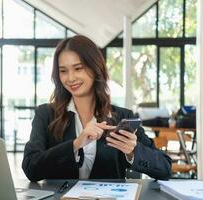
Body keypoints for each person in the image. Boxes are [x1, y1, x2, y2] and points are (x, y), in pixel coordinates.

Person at [22, 35, 172, 182]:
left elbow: (165, 168)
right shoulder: (46, 114)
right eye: (63, 71)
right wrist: (75, 145)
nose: (71, 78)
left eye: (78, 68)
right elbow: (30, 168)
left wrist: (134, 151)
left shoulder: (122, 116)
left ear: (95, 68)